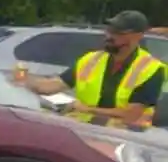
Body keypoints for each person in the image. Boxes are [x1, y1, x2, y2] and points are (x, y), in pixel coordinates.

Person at [16, 11, 164, 129]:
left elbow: (130, 115)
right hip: (87, 131)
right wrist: (24, 81)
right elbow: (53, 85)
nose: (109, 36)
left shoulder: (151, 69)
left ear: (137, 36)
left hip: (126, 142)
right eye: (110, 30)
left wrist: (85, 109)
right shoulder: (92, 59)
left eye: (118, 33)